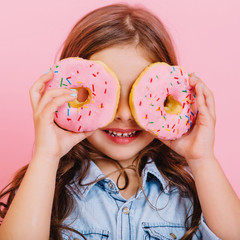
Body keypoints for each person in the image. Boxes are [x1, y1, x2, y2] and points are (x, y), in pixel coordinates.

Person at [0, 3, 239, 240]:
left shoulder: (193, 187)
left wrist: (202, 159)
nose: (124, 114)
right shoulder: (45, 184)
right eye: (108, 94)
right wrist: (46, 155)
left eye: (140, 96)